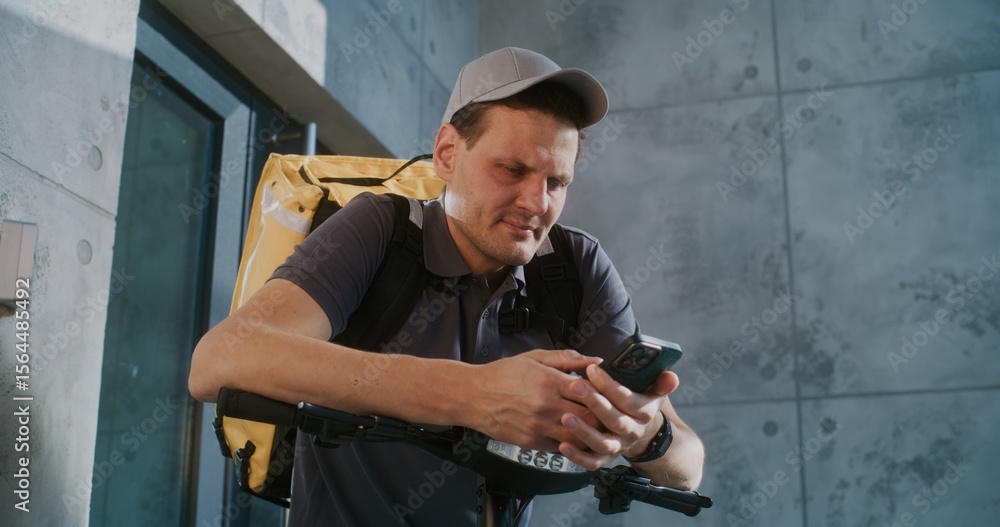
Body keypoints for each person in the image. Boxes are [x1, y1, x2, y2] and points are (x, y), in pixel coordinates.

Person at [189, 46, 704, 526]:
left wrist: (644, 434)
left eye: (557, 182)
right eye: (512, 169)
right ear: (447, 154)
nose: (537, 203)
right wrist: (473, 395)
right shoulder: (379, 230)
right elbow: (218, 362)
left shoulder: (577, 265)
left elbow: (688, 467)